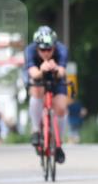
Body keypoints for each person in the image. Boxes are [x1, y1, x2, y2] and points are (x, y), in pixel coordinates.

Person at [24, 26, 70, 163]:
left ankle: (58, 143)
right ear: (36, 48)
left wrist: (55, 69)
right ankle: (36, 130)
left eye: (49, 49)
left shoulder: (62, 50)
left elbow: (62, 72)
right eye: (42, 50)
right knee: (36, 91)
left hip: (56, 78)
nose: (46, 53)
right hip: (38, 76)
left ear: (54, 47)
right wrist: (42, 70)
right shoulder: (29, 51)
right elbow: (33, 74)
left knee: (61, 108)